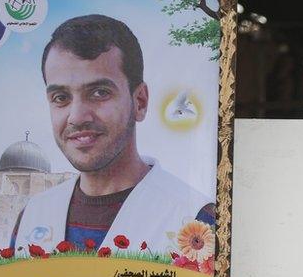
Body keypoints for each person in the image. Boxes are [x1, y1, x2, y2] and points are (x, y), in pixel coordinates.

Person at [12, 14, 213, 254]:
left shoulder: (197, 220)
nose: (76, 117)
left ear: (139, 102)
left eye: (99, 93)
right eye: (61, 98)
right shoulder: (32, 216)